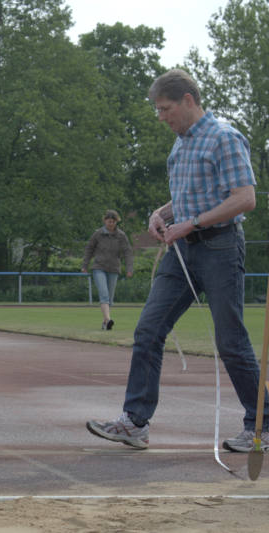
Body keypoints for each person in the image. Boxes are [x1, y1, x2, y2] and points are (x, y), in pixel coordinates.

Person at [86, 69, 269, 452]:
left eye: (165, 108)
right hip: (183, 251)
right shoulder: (180, 145)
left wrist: (193, 222)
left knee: (231, 341)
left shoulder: (225, 139)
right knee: (148, 330)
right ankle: (135, 422)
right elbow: (191, 196)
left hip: (220, 247)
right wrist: (163, 213)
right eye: (158, 109)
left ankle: (263, 425)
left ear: (188, 100)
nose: (160, 117)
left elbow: (244, 198)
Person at [81, 209, 133, 330]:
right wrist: (85, 265)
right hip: (99, 267)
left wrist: (129, 268)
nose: (111, 224)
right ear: (105, 221)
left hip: (114, 268)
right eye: (109, 221)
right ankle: (109, 320)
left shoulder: (121, 236)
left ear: (116, 222)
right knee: (104, 294)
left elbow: (127, 252)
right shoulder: (98, 234)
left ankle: (105, 323)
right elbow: (89, 249)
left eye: (113, 222)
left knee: (109, 298)